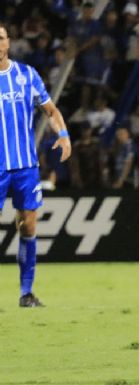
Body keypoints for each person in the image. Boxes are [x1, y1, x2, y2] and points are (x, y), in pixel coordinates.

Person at [0, 22, 71, 307]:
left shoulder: (26, 75)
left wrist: (63, 135)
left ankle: (26, 293)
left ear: (8, 42)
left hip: (26, 166)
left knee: (28, 226)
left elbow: (50, 110)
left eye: (1, 37)